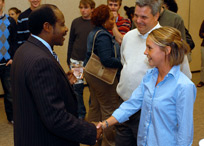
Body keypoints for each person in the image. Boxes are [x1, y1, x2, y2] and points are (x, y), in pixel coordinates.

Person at [11, 4, 101, 146]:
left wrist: (62, 81)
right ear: (47, 27)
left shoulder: (24, 50)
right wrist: (90, 131)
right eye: (62, 24)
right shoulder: (41, 61)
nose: (66, 29)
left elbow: (36, 92)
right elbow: (55, 118)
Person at [97, 26, 197, 146]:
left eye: (149, 48)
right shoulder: (150, 76)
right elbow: (131, 104)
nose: (145, 52)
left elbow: (185, 133)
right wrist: (104, 124)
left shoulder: (184, 86)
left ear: (167, 50)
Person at [115, 0, 192, 145]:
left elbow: (184, 77)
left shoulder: (169, 41)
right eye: (136, 15)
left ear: (156, 15)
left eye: (144, 17)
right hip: (125, 105)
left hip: (150, 111)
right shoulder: (128, 37)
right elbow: (125, 64)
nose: (138, 20)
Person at [84, 4, 122, 146]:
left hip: (91, 75)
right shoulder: (103, 36)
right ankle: (109, 142)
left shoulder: (94, 32)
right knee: (109, 109)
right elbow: (106, 60)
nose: (113, 22)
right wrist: (122, 63)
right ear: (104, 19)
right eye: (111, 19)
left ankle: (93, 139)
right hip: (102, 78)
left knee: (95, 107)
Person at [67, 0, 95, 120]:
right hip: (77, 60)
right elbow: (71, 41)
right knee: (77, 89)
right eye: (81, 7)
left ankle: (92, 114)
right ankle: (80, 114)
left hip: (91, 62)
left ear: (92, 9)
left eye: (86, 7)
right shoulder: (76, 22)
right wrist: (69, 59)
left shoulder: (96, 23)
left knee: (93, 89)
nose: (83, 10)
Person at [0, 0, 17, 124]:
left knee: (10, 93)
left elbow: (15, 41)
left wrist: (13, 58)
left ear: (3, 3)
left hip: (7, 63)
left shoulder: (10, 21)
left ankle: (12, 118)